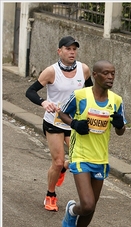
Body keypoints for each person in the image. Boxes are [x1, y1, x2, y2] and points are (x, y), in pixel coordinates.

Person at [57, 60, 126, 227]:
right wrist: (74, 124)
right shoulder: (81, 95)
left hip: (101, 158)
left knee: (92, 207)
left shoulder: (117, 100)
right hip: (80, 155)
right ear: (94, 75)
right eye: (106, 73)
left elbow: (121, 131)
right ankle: (72, 209)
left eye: (113, 73)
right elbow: (62, 113)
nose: (111, 77)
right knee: (86, 205)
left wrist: (120, 124)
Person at [25, 36, 92, 212]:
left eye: (74, 49)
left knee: (80, 160)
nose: (72, 52)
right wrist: (43, 102)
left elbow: (91, 93)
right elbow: (30, 91)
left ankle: (63, 168)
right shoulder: (51, 72)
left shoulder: (83, 70)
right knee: (57, 161)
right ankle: (50, 194)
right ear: (59, 51)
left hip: (73, 123)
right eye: (68, 49)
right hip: (54, 123)